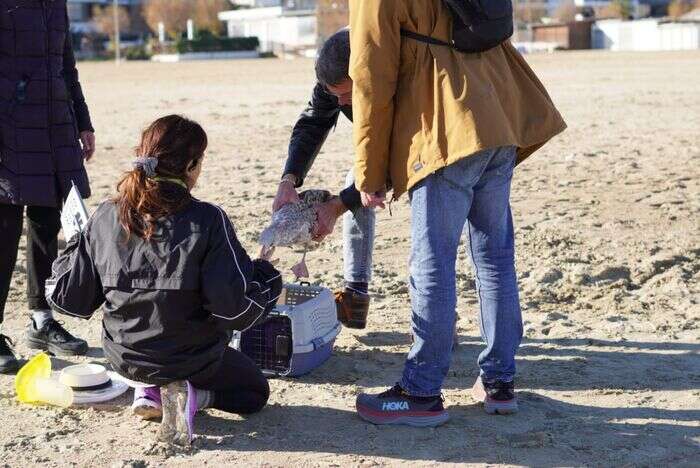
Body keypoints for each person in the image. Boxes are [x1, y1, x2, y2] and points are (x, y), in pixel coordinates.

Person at [349, 1, 567, 426]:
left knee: (433, 261)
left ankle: (421, 391)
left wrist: (370, 172)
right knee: (495, 257)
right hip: (497, 115)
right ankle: (500, 382)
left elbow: (371, 79)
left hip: (446, 128)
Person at [46, 115, 283, 446]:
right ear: (190, 165)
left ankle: (148, 389)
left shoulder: (105, 214)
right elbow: (234, 312)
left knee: (159, 350)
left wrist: (78, 242)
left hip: (123, 359)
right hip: (191, 360)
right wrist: (268, 278)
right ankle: (189, 395)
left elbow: (70, 300)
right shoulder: (208, 219)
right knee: (254, 392)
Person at [0, 0, 96, 373]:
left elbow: (66, 67)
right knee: (4, 232)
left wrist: (83, 122)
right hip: (8, 130)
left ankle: (41, 320)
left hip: (54, 127)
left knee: (46, 227)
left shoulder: (56, 4)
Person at [273, 29, 375, 330]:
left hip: (439, 149)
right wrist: (288, 180)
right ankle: (355, 296)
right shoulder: (333, 84)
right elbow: (313, 123)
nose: (341, 102)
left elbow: (396, 161)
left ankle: (438, 322)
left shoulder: (392, 78)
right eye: (334, 94)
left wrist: (336, 206)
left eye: (347, 93)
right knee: (355, 177)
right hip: (383, 144)